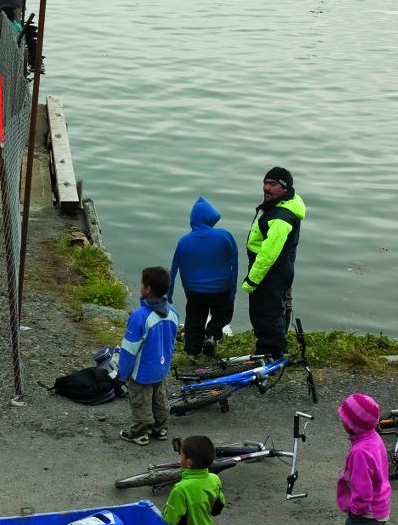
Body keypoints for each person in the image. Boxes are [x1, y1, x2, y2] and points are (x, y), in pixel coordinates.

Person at [242, 167, 307, 358]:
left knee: (265, 314)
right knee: (272, 311)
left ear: (285, 189)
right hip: (279, 268)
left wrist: (252, 280)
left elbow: (268, 255)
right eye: (265, 183)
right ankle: (270, 349)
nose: (266, 188)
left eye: (272, 184)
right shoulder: (282, 204)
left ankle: (272, 354)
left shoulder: (281, 218)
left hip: (270, 272)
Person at [168, 196, 239, 359]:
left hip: (194, 291)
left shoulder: (184, 241)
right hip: (221, 289)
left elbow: (174, 269)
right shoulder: (224, 236)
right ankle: (212, 335)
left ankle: (193, 353)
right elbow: (234, 264)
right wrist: (232, 290)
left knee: (194, 321)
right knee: (222, 315)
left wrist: (170, 295)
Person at [116, 266, 179, 445]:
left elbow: (129, 349)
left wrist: (122, 373)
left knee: (141, 402)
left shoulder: (139, 316)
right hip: (161, 367)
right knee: (160, 399)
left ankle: (139, 432)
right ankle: (160, 429)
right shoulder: (173, 313)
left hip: (142, 370)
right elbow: (172, 341)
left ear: (148, 288)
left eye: (142, 283)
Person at [337, 393, 390, 525]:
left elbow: (363, 492)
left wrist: (355, 511)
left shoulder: (360, 452)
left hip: (364, 518)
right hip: (379, 511)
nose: (341, 420)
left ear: (352, 424)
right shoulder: (374, 437)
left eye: (344, 418)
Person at [163, 435, 226, 525]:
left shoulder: (181, 489)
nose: (180, 458)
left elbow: (171, 521)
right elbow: (217, 508)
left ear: (189, 463)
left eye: (181, 455)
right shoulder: (215, 479)